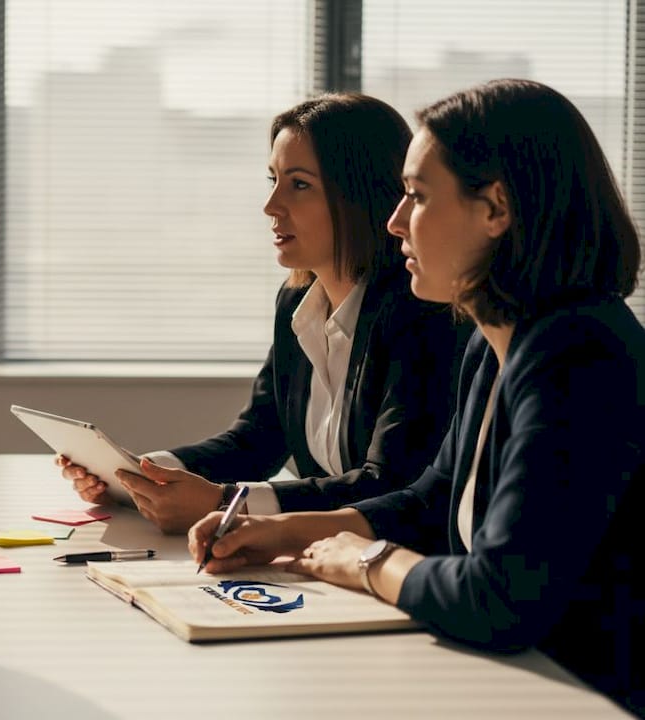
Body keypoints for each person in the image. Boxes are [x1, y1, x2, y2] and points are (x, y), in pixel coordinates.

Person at [191, 79, 644, 714]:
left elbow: (498, 598)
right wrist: (284, 531)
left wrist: (365, 560)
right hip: (519, 682)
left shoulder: (580, 355)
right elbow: (430, 503)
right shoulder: (495, 341)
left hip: (588, 698)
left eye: (418, 196)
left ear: (496, 208)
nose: (395, 220)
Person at [60, 94, 472, 533]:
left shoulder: (423, 316)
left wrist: (225, 503)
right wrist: (143, 474)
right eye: (272, 180)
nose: (271, 205)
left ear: (359, 193)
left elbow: (391, 484)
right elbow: (257, 440)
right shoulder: (297, 303)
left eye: (298, 185)